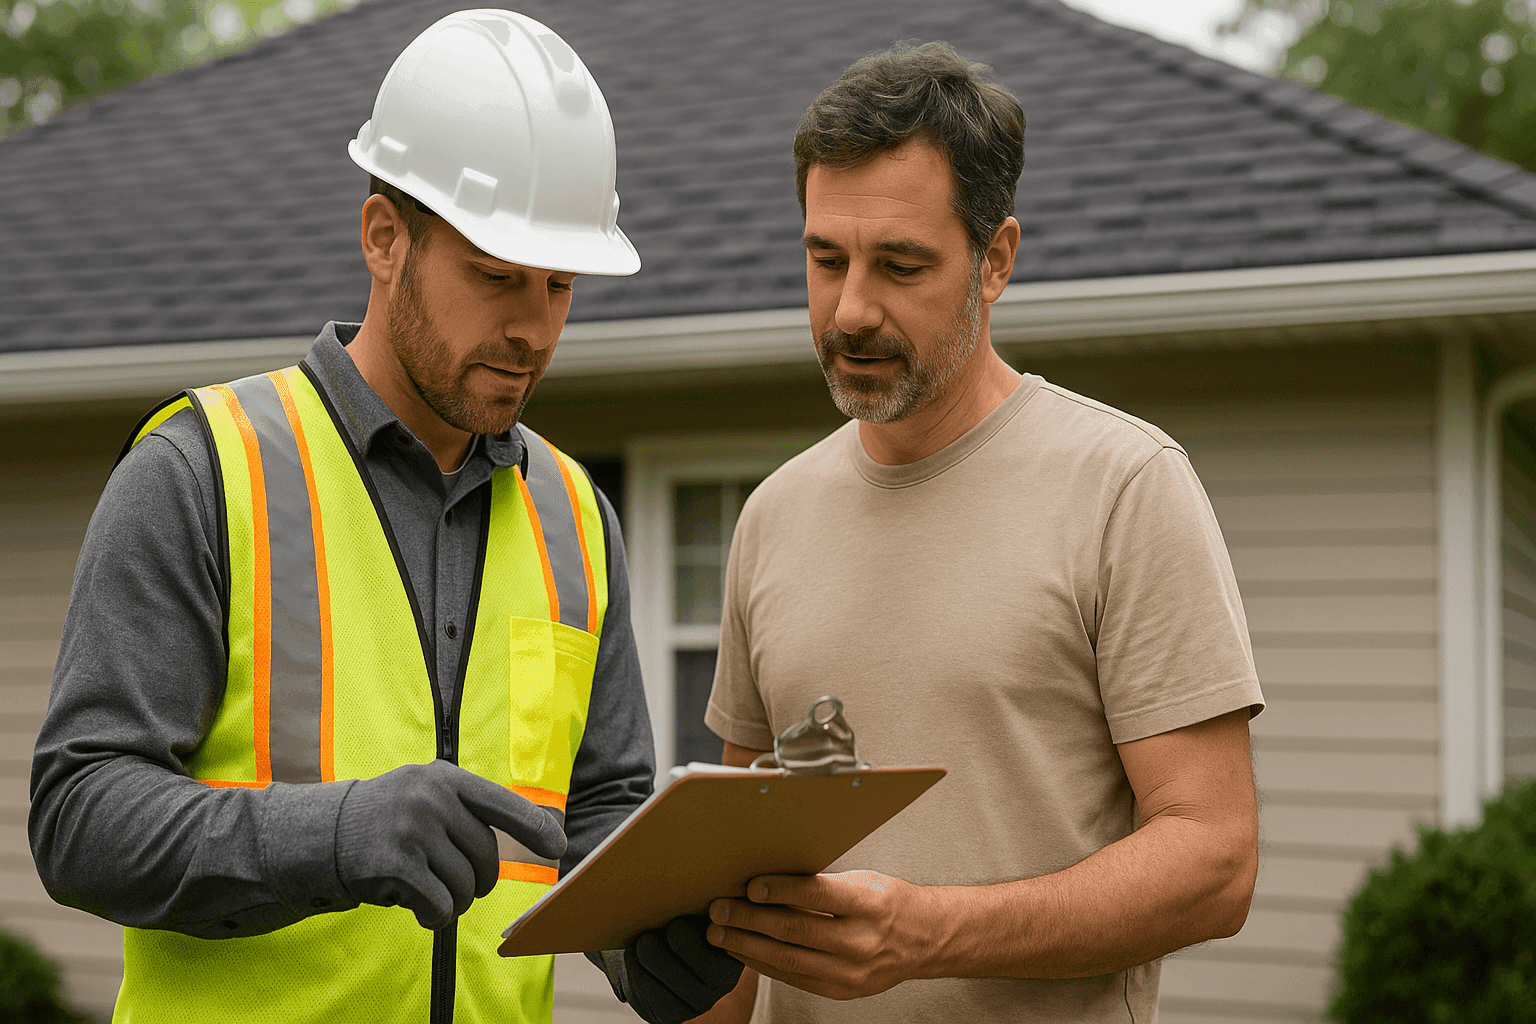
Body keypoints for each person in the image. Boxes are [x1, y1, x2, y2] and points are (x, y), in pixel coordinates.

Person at [28, 11, 737, 1024]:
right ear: (384, 239)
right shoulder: (201, 470)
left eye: (561, 284)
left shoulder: (579, 517)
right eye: (496, 276)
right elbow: (79, 817)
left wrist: (648, 944)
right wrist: (337, 833)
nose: (533, 326)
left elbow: (595, 817)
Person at [697, 42, 1265, 1023]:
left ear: (995, 259)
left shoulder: (1126, 486)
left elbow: (1216, 860)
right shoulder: (772, 517)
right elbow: (741, 898)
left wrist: (931, 932)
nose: (850, 309)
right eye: (825, 259)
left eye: (901, 265)